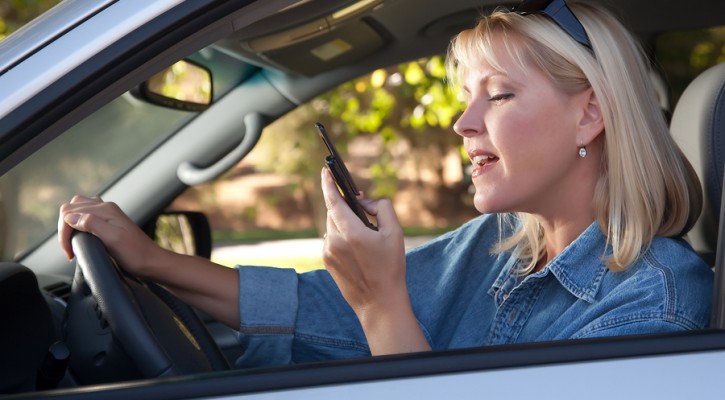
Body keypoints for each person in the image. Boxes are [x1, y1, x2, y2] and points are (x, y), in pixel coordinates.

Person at [59, 0, 713, 367]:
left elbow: (372, 316)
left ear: (591, 113)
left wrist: (381, 302)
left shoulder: (654, 305)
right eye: (465, 98)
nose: (463, 123)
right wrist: (148, 261)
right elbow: (314, 310)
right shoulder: (503, 241)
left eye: (499, 96)